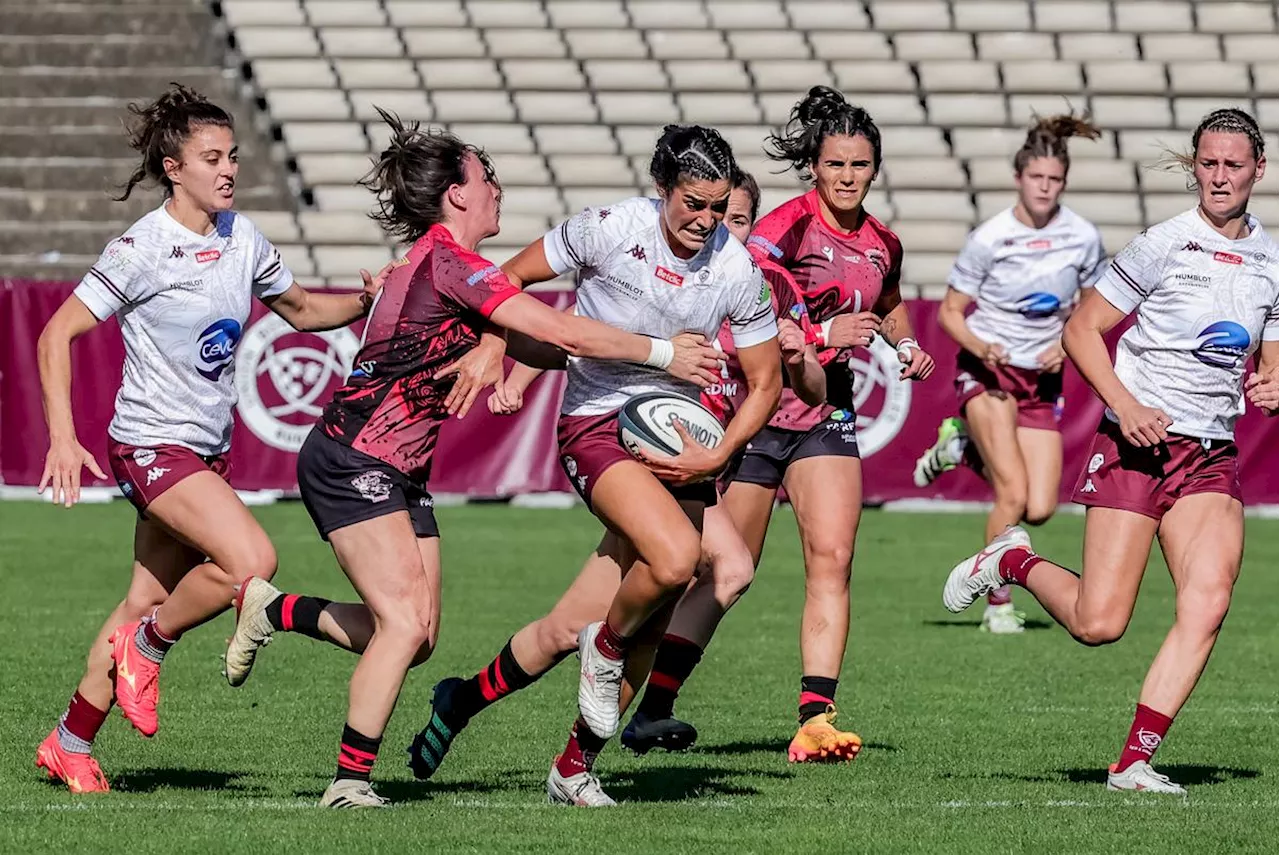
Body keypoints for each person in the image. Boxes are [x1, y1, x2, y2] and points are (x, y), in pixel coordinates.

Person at [223, 112, 723, 808]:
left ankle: (274, 611)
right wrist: (661, 352)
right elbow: (551, 326)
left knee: (418, 636)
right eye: (486, 178)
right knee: (401, 625)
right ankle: (349, 780)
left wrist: (551, 357)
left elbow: (548, 344)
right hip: (351, 456)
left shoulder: (443, 264)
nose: (497, 188)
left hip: (398, 468)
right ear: (457, 193)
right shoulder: (450, 262)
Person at [402, 168, 824, 801]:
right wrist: (502, 353)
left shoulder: (745, 275)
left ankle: (472, 708)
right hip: (607, 429)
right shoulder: (611, 231)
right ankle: (609, 669)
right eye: (700, 206)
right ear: (663, 190)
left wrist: (732, 441)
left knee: (571, 626)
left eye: (728, 214)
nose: (711, 223)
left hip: (682, 448)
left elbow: (782, 386)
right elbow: (514, 292)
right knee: (686, 568)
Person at [32, 84, 383, 793]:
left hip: (202, 452)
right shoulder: (142, 248)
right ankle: (148, 648)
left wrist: (367, 301)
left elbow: (305, 309)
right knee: (250, 558)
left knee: (141, 599)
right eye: (212, 158)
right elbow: (55, 332)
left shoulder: (242, 236)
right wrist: (63, 439)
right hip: (150, 446)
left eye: (233, 156)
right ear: (174, 168)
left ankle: (70, 740)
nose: (229, 170)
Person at [941, 108, 1279, 795]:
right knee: (1100, 622)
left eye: (1232, 165)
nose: (1218, 177)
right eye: (1207, 163)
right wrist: (1124, 405)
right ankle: (1012, 557)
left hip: (1209, 453)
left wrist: (1274, 382)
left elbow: (1269, 358)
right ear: (1195, 166)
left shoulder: (1273, 259)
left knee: (1209, 602)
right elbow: (1082, 329)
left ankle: (1132, 762)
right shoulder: (1163, 243)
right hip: (1136, 445)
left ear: (1258, 171)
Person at [633, 86, 936, 764]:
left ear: (874, 170)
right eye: (836, 165)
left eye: (859, 166)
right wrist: (825, 329)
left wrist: (903, 343)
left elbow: (887, 303)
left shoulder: (884, 240)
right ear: (814, 168)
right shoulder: (783, 231)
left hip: (827, 407)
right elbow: (753, 306)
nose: (848, 177)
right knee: (723, 574)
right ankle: (651, 705)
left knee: (833, 557)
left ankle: (815, 716)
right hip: (759, 410)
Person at [912, 114, 1107, 634]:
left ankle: (960, 449)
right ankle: (998, 604)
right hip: (989, 372)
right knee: (1014, 495)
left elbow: (1092, 309)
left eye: (1055, 180)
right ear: (1019, 177)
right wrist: (982, 346)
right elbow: (951, 314)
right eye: (1037, 178)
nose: (1045, 187)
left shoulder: (1083, 237)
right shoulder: (990, 237)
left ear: (1063, 182)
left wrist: (1066, 347)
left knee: (1041, 507)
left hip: (1041, 380)